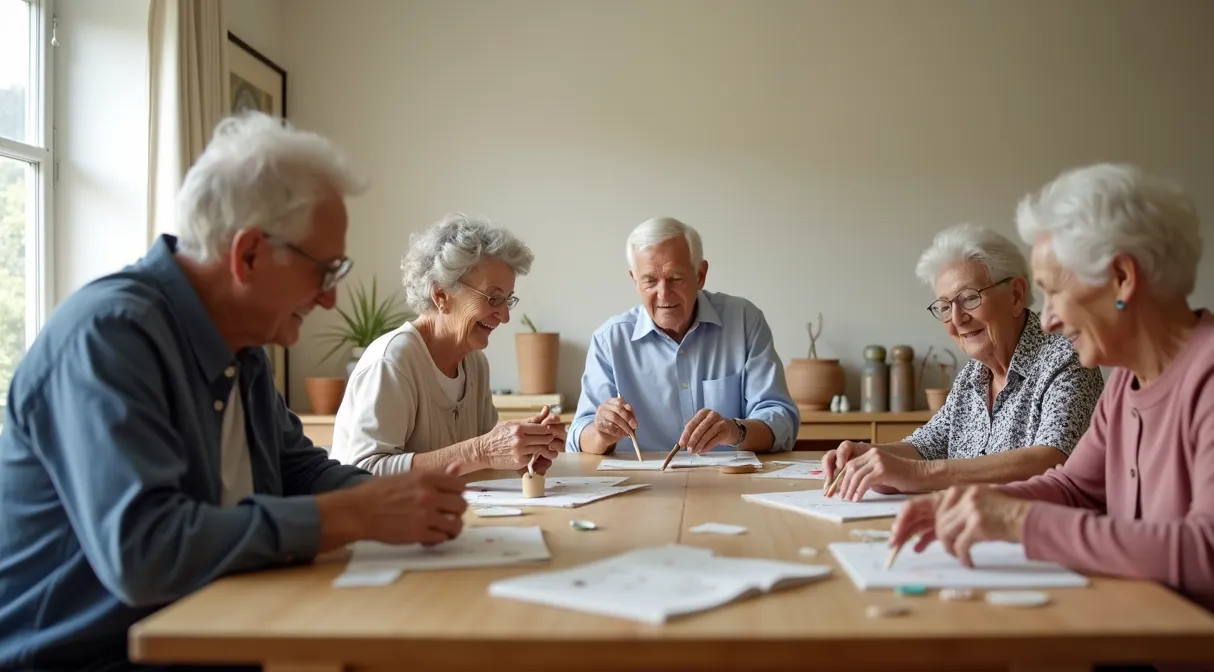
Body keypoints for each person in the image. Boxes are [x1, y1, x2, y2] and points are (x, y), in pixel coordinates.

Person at [0, 112, 471, 671]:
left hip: (223, 631)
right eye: (326, 271)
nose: (330, 300)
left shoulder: (241, 344)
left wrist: (401, 502)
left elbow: (300, 471)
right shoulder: (110, 337)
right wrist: (355, 515)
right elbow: (146, 551)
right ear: (247, 254)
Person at [889, 163, 1214, 670]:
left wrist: (1015, 518)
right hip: (1137, 635)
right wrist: (968, 505)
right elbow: (1074, 488)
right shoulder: (1128, 382)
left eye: (1054, 291)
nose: (1045, 319)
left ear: (1122, 278)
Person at [823, 222, 1105, 498]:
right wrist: (870, 454)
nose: (957, 319)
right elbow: (928, 445)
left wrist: (920, 474)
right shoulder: (973, 375)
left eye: (969, 298)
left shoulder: (1067, 358)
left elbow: (1051, 459)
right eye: (945, 307)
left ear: (1016, 295)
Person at [330, 213, 564, 476]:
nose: (505, 316)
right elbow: (366, 473)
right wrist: (483, 452)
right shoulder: (392, 361)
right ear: (441, 295)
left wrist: (523, 457)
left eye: (508, 300)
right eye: (493, 298)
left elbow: (484, 460)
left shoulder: (474, 363)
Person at [566, 217, 799, 456]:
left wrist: (734, 430)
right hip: (641, 486)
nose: (664, 294)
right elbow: (577, 437)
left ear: (700, 274)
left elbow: (782, 422)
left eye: (676, 278)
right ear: (635, 281)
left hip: (730, 483)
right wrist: (600, 433)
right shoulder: (610, 340)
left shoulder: (744, 321)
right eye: (650, 281)